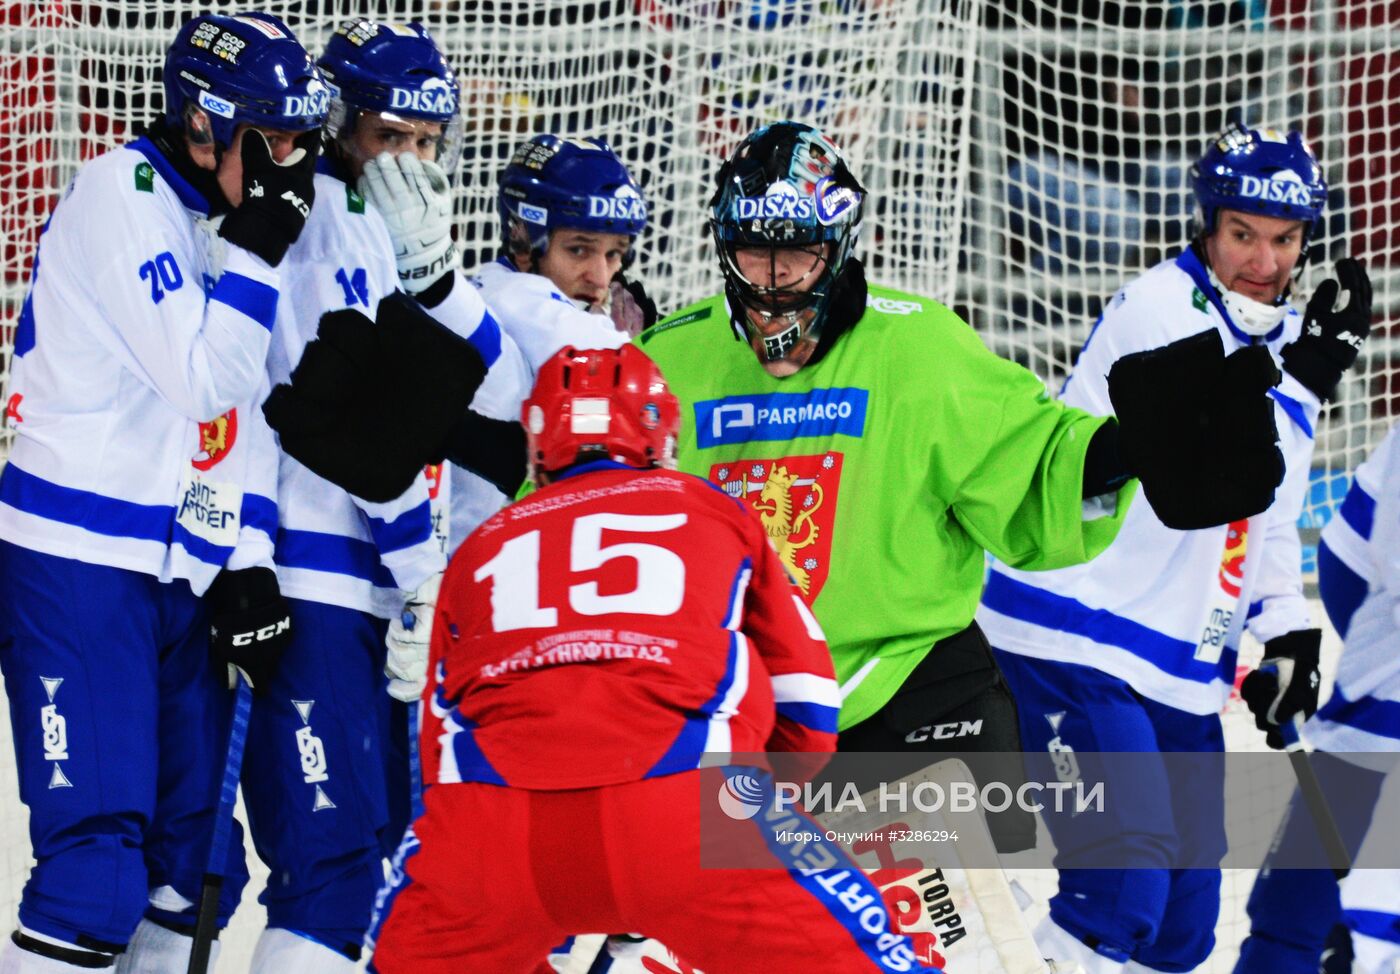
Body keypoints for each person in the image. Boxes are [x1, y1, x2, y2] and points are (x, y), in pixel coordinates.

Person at [636, 118, 1286, 855]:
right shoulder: (668, 361)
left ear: (840, 243)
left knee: (955, 947)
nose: (777, 275)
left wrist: (1126, 449)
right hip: (733, 709)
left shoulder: (920, 345)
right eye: (756, 250)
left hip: (912, 693)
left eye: (801, 251)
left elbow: (1032, 459)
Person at [368, 344, 923, 974]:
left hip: (492, 833)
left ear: (538, 444)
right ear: (660, 436)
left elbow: (439, 753)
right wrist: (761, 807)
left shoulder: (479, 549)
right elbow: (811, 710)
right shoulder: (717, 510)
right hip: (686, 811)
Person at [975, 124, 1372, 971]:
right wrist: (1304, 384)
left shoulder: (1280, 332)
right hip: (1071, 633)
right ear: (1208, 226)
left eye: (1285, 239)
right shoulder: (1162, 307)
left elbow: (1267, 507)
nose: (1263, 259)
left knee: (1182, 935)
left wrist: (1284, 626)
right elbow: (1217, 471)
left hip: (1176, 663)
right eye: (1243, 235)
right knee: (1121, 890)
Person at [0, 11, 320, 972]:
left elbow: (243, 416)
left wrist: (244, 558)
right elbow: (203, 381)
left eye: (301, 136)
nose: (293, 164)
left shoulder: (212, 216)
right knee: (95, 869)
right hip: (78, 563)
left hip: (172, 567)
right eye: (274, 137)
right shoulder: (120, 193)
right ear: (203, 124)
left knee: (192, 866)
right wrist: (262, 246)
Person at [236, 18, 528, 972]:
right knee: (331, 874)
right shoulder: (315, 226)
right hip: (309, 579)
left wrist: (434, 275)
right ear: (338, 126)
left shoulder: (385, 229)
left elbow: (494, 387)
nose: (406, 161)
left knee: (391, 871)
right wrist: (420, 570)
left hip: (372, 585)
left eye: (422, 142)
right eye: (385, 137)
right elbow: (345, 436)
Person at [1233, 421, 1399, 974]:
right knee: (1294, 933)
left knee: (1295, 933)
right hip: (1369, 735)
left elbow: (1348, 559)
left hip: (1369, 736)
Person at [446, 132, 656, 553]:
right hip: (474, 573)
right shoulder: (514, 301)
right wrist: (650, 343)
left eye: (614, 254)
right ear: (524, 242)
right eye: (579, 250)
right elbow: (651, 393)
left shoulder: (492, 290)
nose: (601, 278)